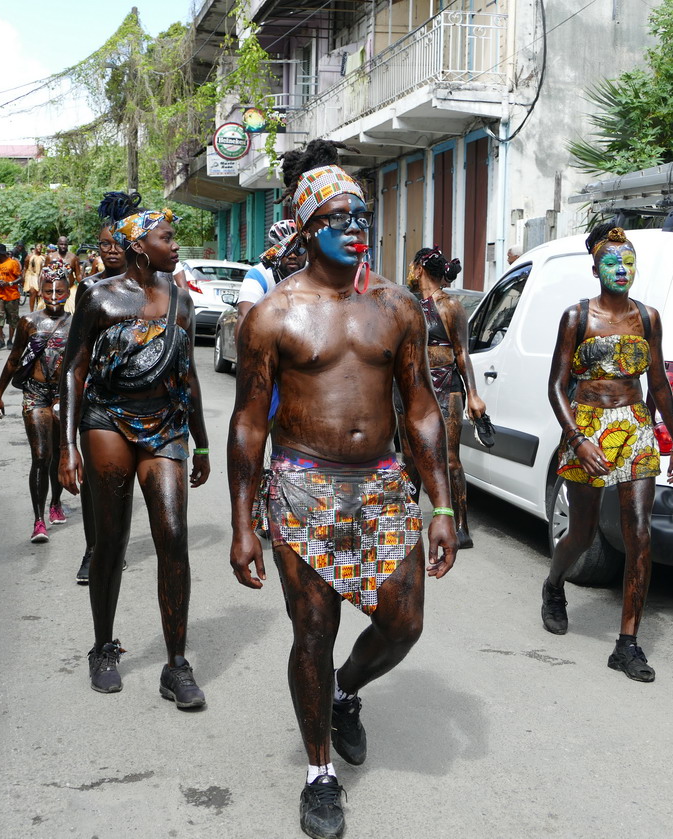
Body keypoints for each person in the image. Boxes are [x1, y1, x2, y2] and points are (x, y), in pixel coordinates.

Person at [228, 140, 456, 839]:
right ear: (303, 226)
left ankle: (346, 691)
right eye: (336, 215)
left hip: (382, 487)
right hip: (301, 486)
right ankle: (319, 773)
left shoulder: (396, 308)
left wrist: (441, 500)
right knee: (313, 630)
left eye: (361, 213)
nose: (354, 225)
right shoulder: (273, 315)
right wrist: (242, 522)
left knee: (404, 622)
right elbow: (245, 425)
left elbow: (419, 408)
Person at [58, 193, 211, 708]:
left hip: (165, 424)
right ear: (139, 247)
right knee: (112, 540)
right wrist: (68, 446)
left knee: (172, 536)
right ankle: (103, 647)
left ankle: (177, 664)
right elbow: (74, 371)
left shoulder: (181, 298)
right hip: (106, 421)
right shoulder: (100, 299)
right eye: (166, 238)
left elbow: (187, 374)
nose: (175, 245)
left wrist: (204, 442)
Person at [541, 224, 673, 683]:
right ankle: (554, 583)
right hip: (587, 427)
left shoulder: (649, 317)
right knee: (581, 534)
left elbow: (658, 383)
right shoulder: (576, 317)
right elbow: (557, 386)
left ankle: (627, 644)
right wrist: (577, 439)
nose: (621, 270)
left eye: (628, 262)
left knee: (640, 533)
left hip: (636, 426)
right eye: (611, 263)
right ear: (595, 268)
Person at [398, 246, 487, 550]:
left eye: (412, 266)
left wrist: (473, 394)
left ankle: (461, 525)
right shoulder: (408, 305)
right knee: (410, 458)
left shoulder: (450, 306)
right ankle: (409, 520)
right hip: (410, 390)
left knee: (449, 460)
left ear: (419, 268)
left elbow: (462, 353)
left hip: (446, 388)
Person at [68, 193, 132, 585]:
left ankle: (115, 547)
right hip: (97, 399)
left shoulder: (155, 286)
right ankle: (94, 550)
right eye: (104, 244)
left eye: (117, 243)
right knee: (96, 482)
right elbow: (79, 353)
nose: (110, 250)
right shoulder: (89, 288)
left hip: (144, 402)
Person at [0, 269, 72, 543]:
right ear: (39, 290)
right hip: (35, 394)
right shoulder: (28, 321)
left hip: (63, 398)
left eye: (59, 291)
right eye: (48, 291)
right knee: (40, 456)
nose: (53, 297)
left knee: (59, 454)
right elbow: (15, 358)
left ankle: (56, 503)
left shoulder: (76, 324)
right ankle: (39, 520)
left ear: (68, 291)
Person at [235, 218, 304, 338]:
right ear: (273, 252)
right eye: (285, 250)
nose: (292, 255)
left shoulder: (317, 273)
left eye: (299, 249)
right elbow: (245, 319)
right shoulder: (258, 275)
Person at [0, 243, 23, 350]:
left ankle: (10, 340)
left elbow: (20, 278)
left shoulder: (13, 263)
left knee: (12, 319)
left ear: (1, 253)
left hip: (12, 296)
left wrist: (9, 283)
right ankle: (1, 340)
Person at [23, 244, 45, 312]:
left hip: (40, 276)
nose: (39, 248)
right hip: (31, 275)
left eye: (40, 247)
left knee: (39, 294)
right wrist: (24, 277)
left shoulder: (43, 257)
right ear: (35, 248)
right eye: (37, 246)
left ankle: (38, 310)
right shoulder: (30, 257)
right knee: (33, 292)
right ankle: (31, 311)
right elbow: (25, 267)